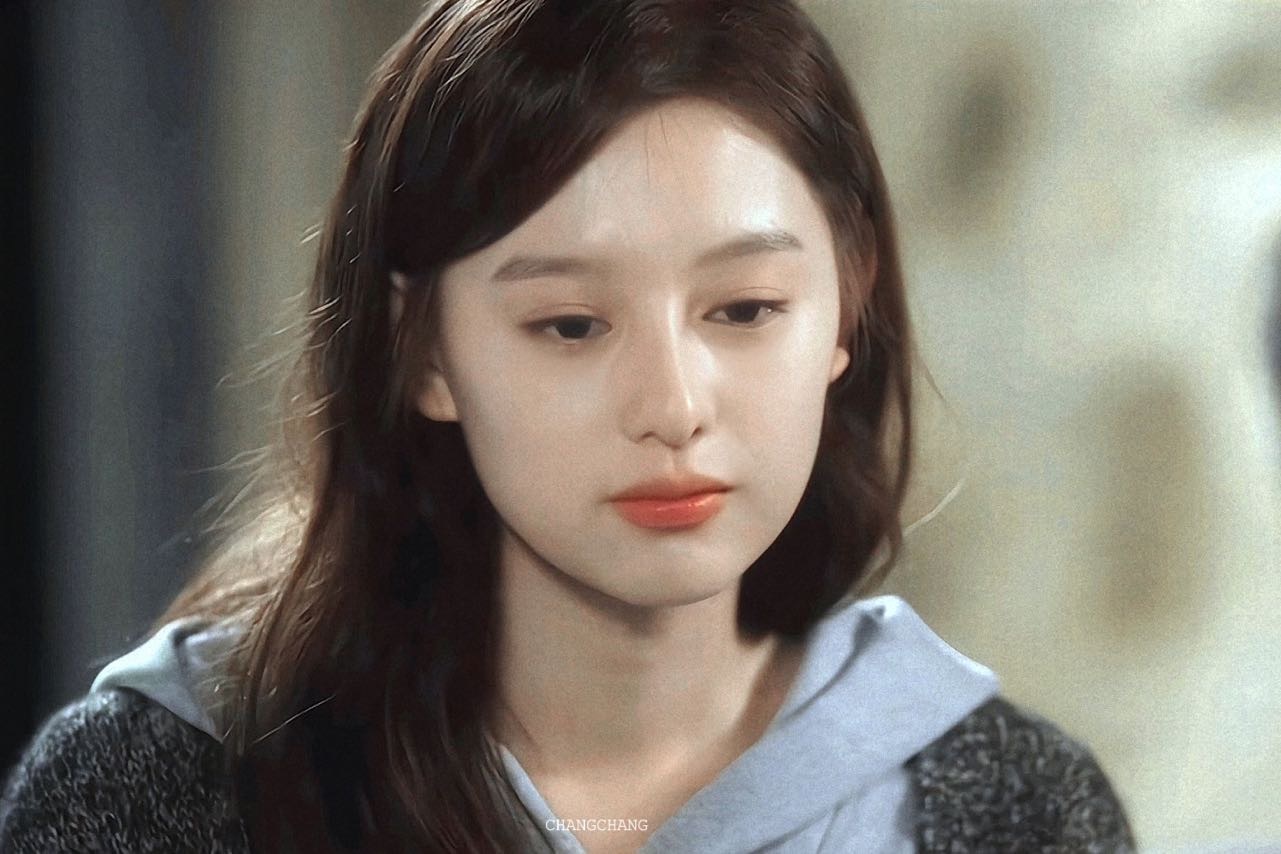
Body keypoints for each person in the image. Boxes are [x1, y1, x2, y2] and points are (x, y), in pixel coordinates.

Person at [0, 1, 1135, 851]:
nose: (674, 407)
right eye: (572, 325)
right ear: (422, 350)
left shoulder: (1013, 808)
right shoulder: (164, 789)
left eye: (744, 310)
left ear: (848, 306)